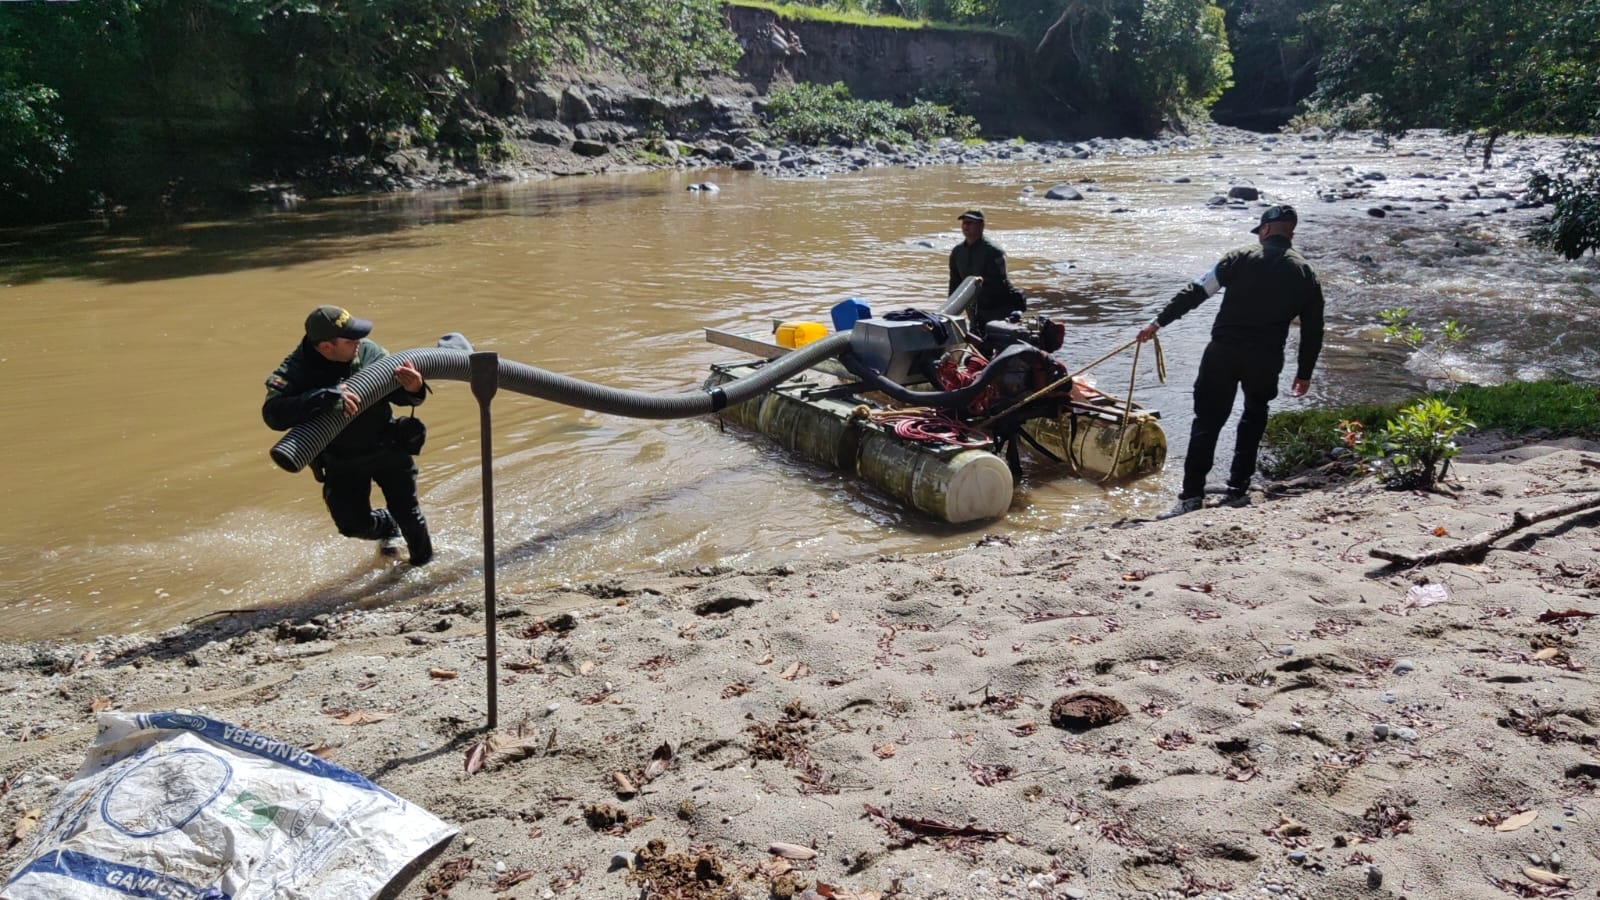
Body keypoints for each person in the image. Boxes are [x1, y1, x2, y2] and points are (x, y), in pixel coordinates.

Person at [1135, 204, 1325, 518]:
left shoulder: (1238, 258)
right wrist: (1304, 373)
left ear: (1264, 230)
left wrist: (1157, 323)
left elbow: (1196, 292)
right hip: (1266, 358)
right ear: (1291, 232)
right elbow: (1313, 330)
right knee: (1254, 416)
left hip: (1223, 353)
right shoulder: (1305, 272)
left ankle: (1191, 496)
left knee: (1206, 422)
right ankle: (1238, 487)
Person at [263, 306, 434, 565]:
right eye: (350, 339)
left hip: (386, 444)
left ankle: (424, 569)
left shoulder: (368, 353)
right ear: (325, 347)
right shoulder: (295, 370)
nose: (359, 342)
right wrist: (324, 397)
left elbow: (400, 395)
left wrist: (414, 388)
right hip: (341, 458)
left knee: (409, 514)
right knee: (352, 525)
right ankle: (386, 526)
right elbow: (273, 414)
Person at [949, 209, 1026, 336]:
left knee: (996, 341)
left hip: (997, 308)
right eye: (964, 223)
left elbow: (999, 283)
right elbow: (954, 283)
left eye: (970, 223)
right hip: (974, 310)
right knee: (978, 343)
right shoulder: (957, 252)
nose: (965, 226)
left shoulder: (994, 251)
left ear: (981, 226)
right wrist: (950, 313)